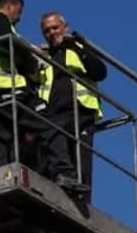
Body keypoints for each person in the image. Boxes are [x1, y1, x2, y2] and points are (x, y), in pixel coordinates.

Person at [0, 0, 69, 180]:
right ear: (9, 7)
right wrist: (32, 55)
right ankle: (64, 172)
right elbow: (8, 40)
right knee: (47, 123)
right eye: (18, 12)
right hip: (0, 87)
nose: (19, 18)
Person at [37, 10, 106, 202]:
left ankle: (83, 207)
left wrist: (76, 47)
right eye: (47, 30)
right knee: (54, 161)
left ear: (65, 28)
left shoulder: (78, 48)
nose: (51, 32)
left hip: (80, 111)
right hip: (53, 114)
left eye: (55, 27)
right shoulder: (44, 57)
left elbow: (99, 72)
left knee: (81, 163)